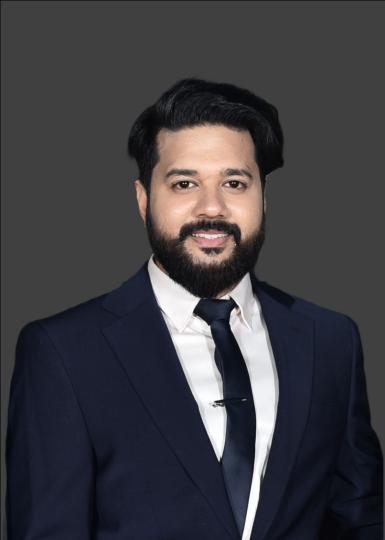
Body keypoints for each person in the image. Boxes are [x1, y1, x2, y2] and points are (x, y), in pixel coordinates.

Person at [5, 77, 383, 540]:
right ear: (144, 199)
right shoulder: (63, 351)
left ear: (263, 198)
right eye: (184, 182)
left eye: (234, 182)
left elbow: (362, 517)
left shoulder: (330, 340)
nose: (212, 207)